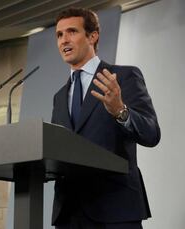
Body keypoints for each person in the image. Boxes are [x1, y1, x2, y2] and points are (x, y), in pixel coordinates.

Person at [51, 8, 161, 229]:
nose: (64, 40)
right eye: (59, 35)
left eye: (72, 31)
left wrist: (121, 111)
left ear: (93, 36)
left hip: (116, 209)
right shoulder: (59, 96)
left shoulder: (124, 77)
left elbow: (151, 134)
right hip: (70, 213)